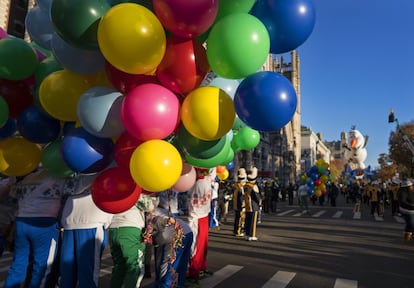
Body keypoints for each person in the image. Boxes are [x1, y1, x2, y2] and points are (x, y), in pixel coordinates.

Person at [3, 169, 86, 288]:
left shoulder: (28, 177)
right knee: (42, 267)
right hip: (44, 224)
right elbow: (78, 186)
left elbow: (13, 195)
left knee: (18, 264)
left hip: (22, 222)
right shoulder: (57, 176)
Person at [59, 179, 113, 288]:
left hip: (92, 224)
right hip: (70, 225)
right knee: (66, 274)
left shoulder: (107, 167)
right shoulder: (75, 170)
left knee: (87, 274)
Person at [146, 192, 193, 288]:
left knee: (167, 271)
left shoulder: (151, 216)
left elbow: (161, 223)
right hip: (187, 232)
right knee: (180, 269)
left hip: (176, 236)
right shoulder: (162, 210)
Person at [108, 200, 146, 288]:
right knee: (134, 267)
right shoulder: (136, 187)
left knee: (119, 266)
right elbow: (149, 205)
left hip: (113, 227)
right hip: (131, 228)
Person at [186, 168, 214, 286]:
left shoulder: (195, 183)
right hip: (204, 215)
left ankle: (194, 272)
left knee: (195, 247)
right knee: (202, 245)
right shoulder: (208, 181)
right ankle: (202, 267)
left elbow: (192, 201)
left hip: (196, 217)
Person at [244, 167, 261, 241]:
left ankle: (247, 234)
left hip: (247, 205)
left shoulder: (245, 185)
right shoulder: (254, 186)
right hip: (253, 206)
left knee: (247, 221)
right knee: (252, 222)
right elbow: (257, 197)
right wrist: (260, 204)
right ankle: (252, 235)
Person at [233, 168, 246, 237]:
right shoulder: (240, 187)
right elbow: (241, 198)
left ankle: (235, 230)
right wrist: (243, 205)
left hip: (236, 205)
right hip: (239, 205)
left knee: (237, 218)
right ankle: (238, 231)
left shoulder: (236, 185)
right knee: (240, 219)